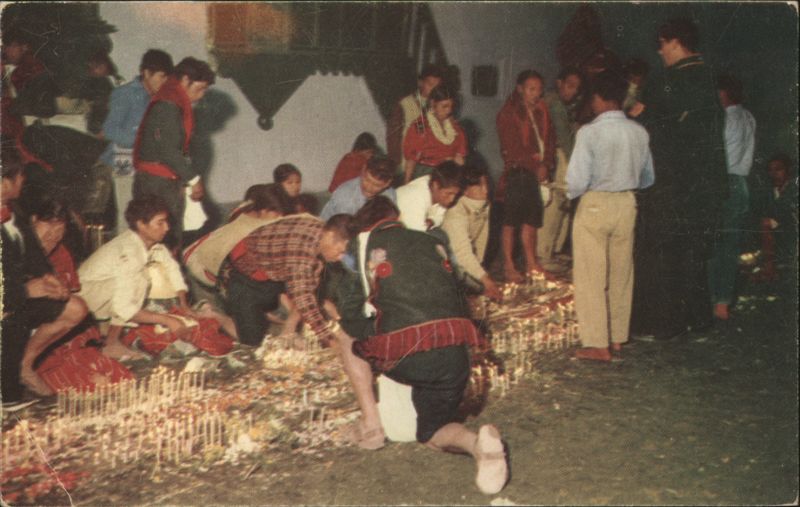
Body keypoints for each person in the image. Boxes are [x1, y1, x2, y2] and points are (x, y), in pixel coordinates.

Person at [332, 197, 509, 495]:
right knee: (430, 431)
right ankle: (477, 445)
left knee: (348, 336)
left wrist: (371, 327)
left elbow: (350, 315)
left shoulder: (360, 246)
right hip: (455, 354)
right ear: (397, 217)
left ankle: (372, 426)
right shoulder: (432, 240)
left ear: (363, 226)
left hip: (409, 355)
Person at [630, 17, 728, 340]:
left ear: (673, 41)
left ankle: (663, 325)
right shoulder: (707, 78)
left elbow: (650, 127)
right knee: (693, 254)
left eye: (661, 45)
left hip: (670, 185)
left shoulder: (669, 80)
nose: (659, 52)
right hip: (704, 186)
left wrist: (638, 115)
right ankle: (696, 320)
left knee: (662, 253)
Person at [566, 70, 655, 362]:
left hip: (595, 204)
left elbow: (577, 180)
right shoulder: (639, 132)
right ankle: (617, 337)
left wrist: (567, 194)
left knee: (591, 274)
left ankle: (596, 343)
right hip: (627, 204)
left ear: (599, 99)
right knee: (622, 272)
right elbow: (647, 178)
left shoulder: (589, 132)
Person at [2, 140, 89, 400]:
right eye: (20, 176)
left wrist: (49, 279)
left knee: (75, 307)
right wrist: (26, 290)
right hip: (8, 300)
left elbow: (32, 253)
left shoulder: (13, 211)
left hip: (13, 299)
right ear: (7, 179)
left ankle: (22, 367)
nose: (23, 181)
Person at [77, 195, 194, 360]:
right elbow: (124, 307)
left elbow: (172, 269)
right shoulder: (129, 252)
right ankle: (111, 342)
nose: (167, 228)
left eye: (166, 222)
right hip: (84, 299)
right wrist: (168, 320)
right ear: (141, 225)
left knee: (138, 282)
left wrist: (183, 304)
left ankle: (111, 340)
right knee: (140, 281)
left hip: (103, 296)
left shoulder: (153, 246)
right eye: (160, 223)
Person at [218, 212, 353, 347]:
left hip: (274, 272)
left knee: (296, 315)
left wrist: (291, 325)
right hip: (244, 279)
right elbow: (303, 297)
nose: (341, 258)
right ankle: (216, 316)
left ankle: (286, 327)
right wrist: (330, 340)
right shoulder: (301, 252)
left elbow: (309, 287)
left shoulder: (319, 232)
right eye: (340, 251)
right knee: (252, 343)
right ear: (330, 235)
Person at [132, 57, 215, 249]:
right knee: (165, 241)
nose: (201, 96)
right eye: (200, 89)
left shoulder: (169, 99)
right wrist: (194, 179)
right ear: (185, 80)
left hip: (158, 181)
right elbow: (168, 151)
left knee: (160, 240)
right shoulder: (168, 106)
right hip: (159, 184)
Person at [100, 49, 173, 234]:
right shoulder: (125, 93)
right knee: (129, 216)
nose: (164, 82)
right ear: (146, 73)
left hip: (147, 165)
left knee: (149, 217)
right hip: (123, 160)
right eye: (161, 76)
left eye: (167, 78)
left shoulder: (159, 98)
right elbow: (110, 130)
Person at [496, 70, 556, 282]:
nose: (536, 94)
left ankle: (532, 264)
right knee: (511, 220)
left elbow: (550, 141)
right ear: (520, 89)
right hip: (518, 172)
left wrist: (546, 164)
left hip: (536, 172)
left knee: (531, 220)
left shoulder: (542, 110)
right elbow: (512, 148)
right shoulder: (509, 112)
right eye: (531, 89)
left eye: (539, 90)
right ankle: (509, 266)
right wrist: (535, 165)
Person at [707, 74, 756, 320]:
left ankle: (716, 299)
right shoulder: (748, 117)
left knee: (718, 245)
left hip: (725, 182)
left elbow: (720, 155)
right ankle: (723, 301)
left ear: (725, 93)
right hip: (741, 183)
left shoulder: (727, 118)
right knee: (731, 245)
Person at [538, 67, 582, 273]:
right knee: (554, 206)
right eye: (570, 85)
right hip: (559, 156)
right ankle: (545, 254)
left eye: (576, 88)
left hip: (562, 156)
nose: (572, 91)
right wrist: (577, 164)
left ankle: (553, 250)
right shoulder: (554, 104)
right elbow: (565, 139)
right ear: (559, 83)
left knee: (561, 206)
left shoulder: (561, 105)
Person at [441, 164, 502, 300]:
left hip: (463, 259)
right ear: (465, 191)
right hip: (447, 260)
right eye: (479, 186)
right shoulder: (455, 214)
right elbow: (462, 253)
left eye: (486, 184)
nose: (486, 190)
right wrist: (485, 281)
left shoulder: (484, 205)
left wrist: (480, 273)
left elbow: (481, 240)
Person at [402, 84, 468, 183]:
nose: (449, 110)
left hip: (450, 175)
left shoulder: (456, 129)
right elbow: (411, 160)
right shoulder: (420, 126)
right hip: (426, 176)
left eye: (451, 106)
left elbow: (460, 159)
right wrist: (406, 183)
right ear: (433, 104)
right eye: (444, 106)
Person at [386, 64, 444, 172]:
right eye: (430, 84)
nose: (434, 90)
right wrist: (395, 164)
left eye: (437, 86)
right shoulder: (405, 103)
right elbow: (393, 137)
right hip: (406, 165)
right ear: (421, 83)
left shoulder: (441, 108)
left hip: (431, 165)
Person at [753, 154, 797, 280]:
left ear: (787, 170)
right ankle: (768, 268)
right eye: (771, 170)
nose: (774, 173)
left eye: (778, 169)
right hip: (775, 231)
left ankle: (769, 268)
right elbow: (760, 213)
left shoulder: (794, 188)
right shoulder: (767, 191)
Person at [396, 160, 464, 232]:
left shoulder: (436, 188)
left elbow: (440, 216)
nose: (452, 199)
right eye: (448, 193)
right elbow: (417, 235)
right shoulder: (415, 198)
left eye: (455, 194)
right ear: (436, 185)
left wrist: (432, 221)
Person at [320, 156, 396, 220]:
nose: (368, 187)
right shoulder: (345, 194)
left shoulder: (389, 195)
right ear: (363, 170)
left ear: (387, 183)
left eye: (376, 185)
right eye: (367, 179)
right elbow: (343, 231)